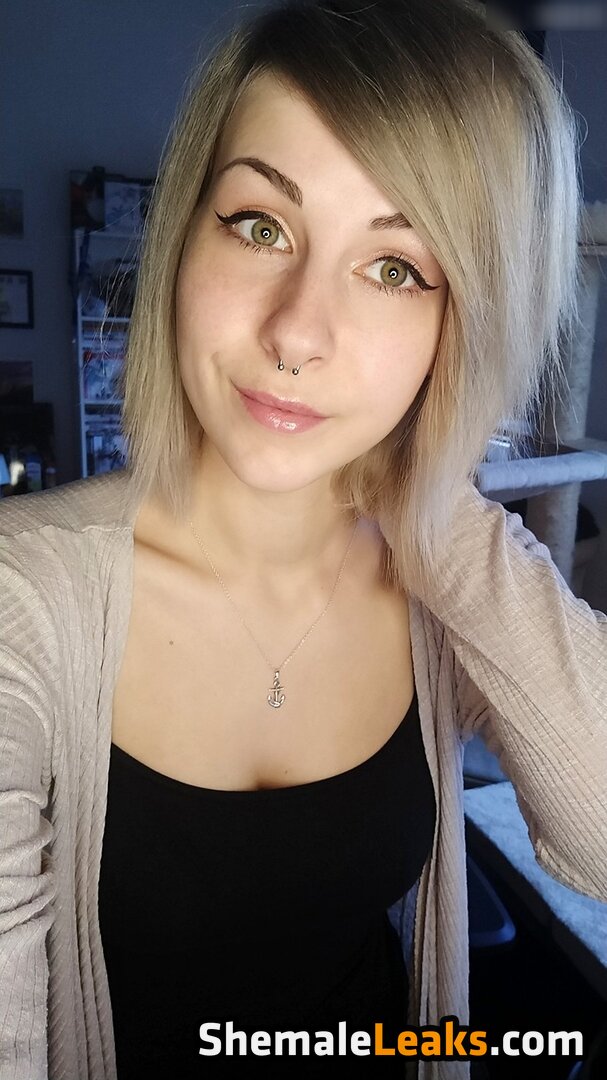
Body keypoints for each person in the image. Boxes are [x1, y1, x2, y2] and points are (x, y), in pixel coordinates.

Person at [1, 1, 606, 1078]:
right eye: (259, 225)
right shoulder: (21, 601)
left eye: (395, 269)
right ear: (185, 234)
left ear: (461, 326)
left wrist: (431, 492)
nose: (295, 332)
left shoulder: (438, 590)